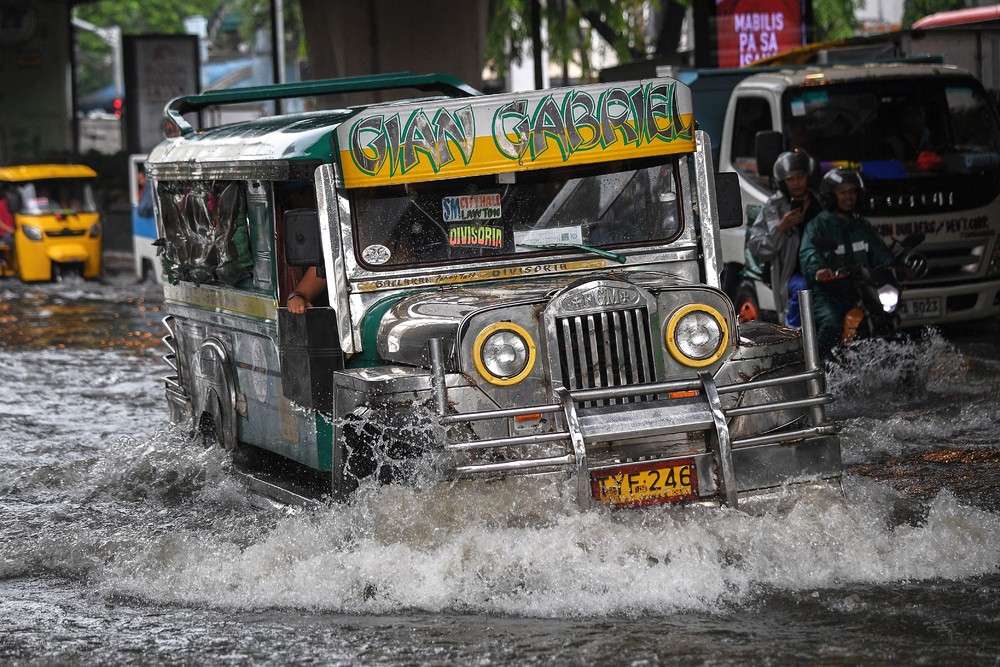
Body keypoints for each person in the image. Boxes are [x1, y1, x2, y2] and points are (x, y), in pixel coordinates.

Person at [799, 168, 896, 364]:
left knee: (884, 319)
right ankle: (822, 371)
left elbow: (879, 252)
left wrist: (895, 265)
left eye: (852, 192)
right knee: (832, 324)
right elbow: (808, 252)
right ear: (831, 196)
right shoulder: (819, 225)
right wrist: (819, 270)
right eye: (843, 192)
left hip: (861, 289)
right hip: (829, 292)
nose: (849, 197)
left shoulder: (862, 226)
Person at [747, 149, 820, 327]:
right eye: (790, 179)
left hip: (823, 269)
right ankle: (795, 334)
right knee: (802, 289)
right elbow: (759, 249)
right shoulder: (774, 207)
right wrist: (781, 228)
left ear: (808, 177)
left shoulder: (822, 203)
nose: (796, 183)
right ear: (783, 182)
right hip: (792, 274)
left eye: (800, 176)